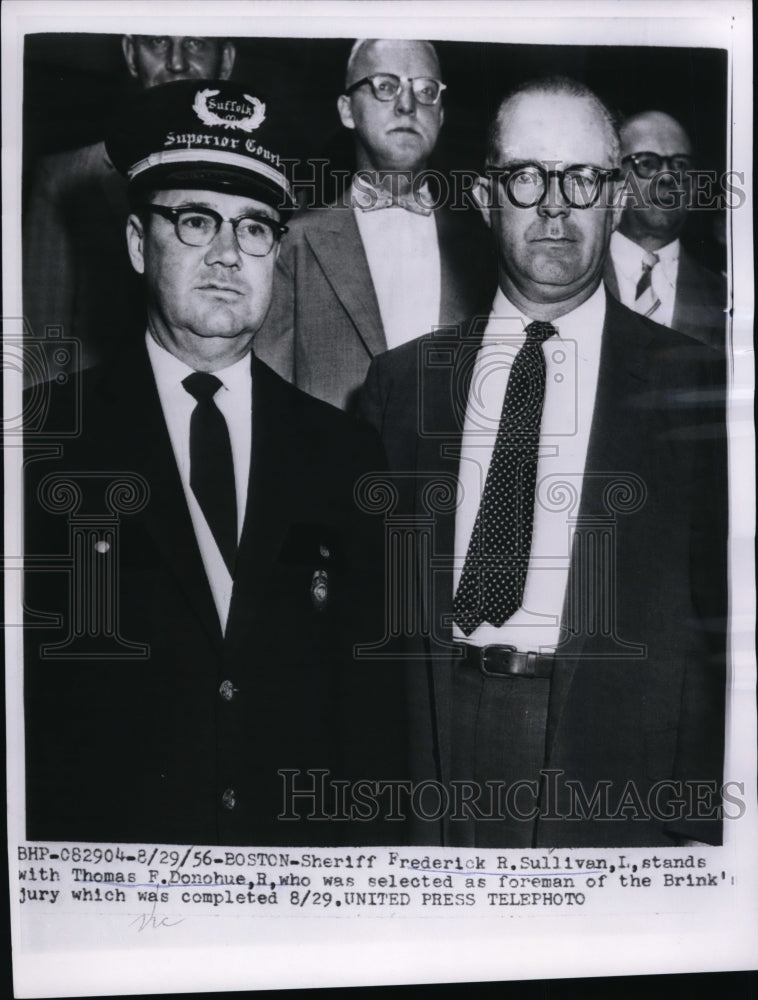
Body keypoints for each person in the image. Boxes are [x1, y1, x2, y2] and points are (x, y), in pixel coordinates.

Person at [24, 79, 403, 846]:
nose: (229, 255)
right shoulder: (46, 445)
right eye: (196, 221)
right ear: (138, 243)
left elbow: (374, 720)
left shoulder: (345, 454)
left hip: (292, 890)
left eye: (256, 229)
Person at [360, 77, 727, 849]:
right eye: (527, 177)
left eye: (583, 178)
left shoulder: (702, 390)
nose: (555, 205)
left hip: (611, 763)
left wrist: (697, 824)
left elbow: (725, 625)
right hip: (431, 759)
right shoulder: (401, 387)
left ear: (616, 199)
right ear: (487, 198)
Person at [254, 38, 495, 411]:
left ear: (442, 114)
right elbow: (270, 403)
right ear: (347, 109)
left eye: (426, 90)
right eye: (385, 86)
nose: (407, 104)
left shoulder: (484, 246)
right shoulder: (295, 244)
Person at [22, 35, 236, 381]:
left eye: (195, 44)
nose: (176, 62)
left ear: (225, 62)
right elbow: (37, 342)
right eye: (157, 42)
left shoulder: (260, 189)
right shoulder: (63, 179)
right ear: (131, 54)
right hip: (97, 413)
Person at [604, 110, 725, 348]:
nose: (667, 177)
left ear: (692, 189)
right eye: (647, 163)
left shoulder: (727, 298)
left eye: (680, 165)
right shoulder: (571, 280)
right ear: (615, 180)